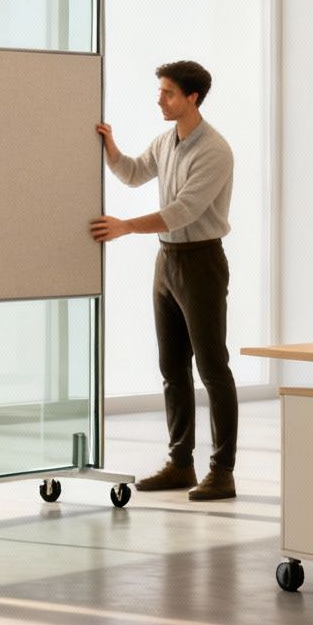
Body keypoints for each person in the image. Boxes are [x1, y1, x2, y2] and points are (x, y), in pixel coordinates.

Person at [90, 60, 238, 501]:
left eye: (168, 92)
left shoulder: (214, 150)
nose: (160, 98)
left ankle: (222, 471)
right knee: (172, 368)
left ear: (192, 97)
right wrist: (111, 147)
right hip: (167, 260)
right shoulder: (165, 141)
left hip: (201, 262)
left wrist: (124, 227)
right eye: (160, 91)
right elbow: (134, 173)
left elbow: (183, 211)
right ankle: (180, 463)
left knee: (212, 367)